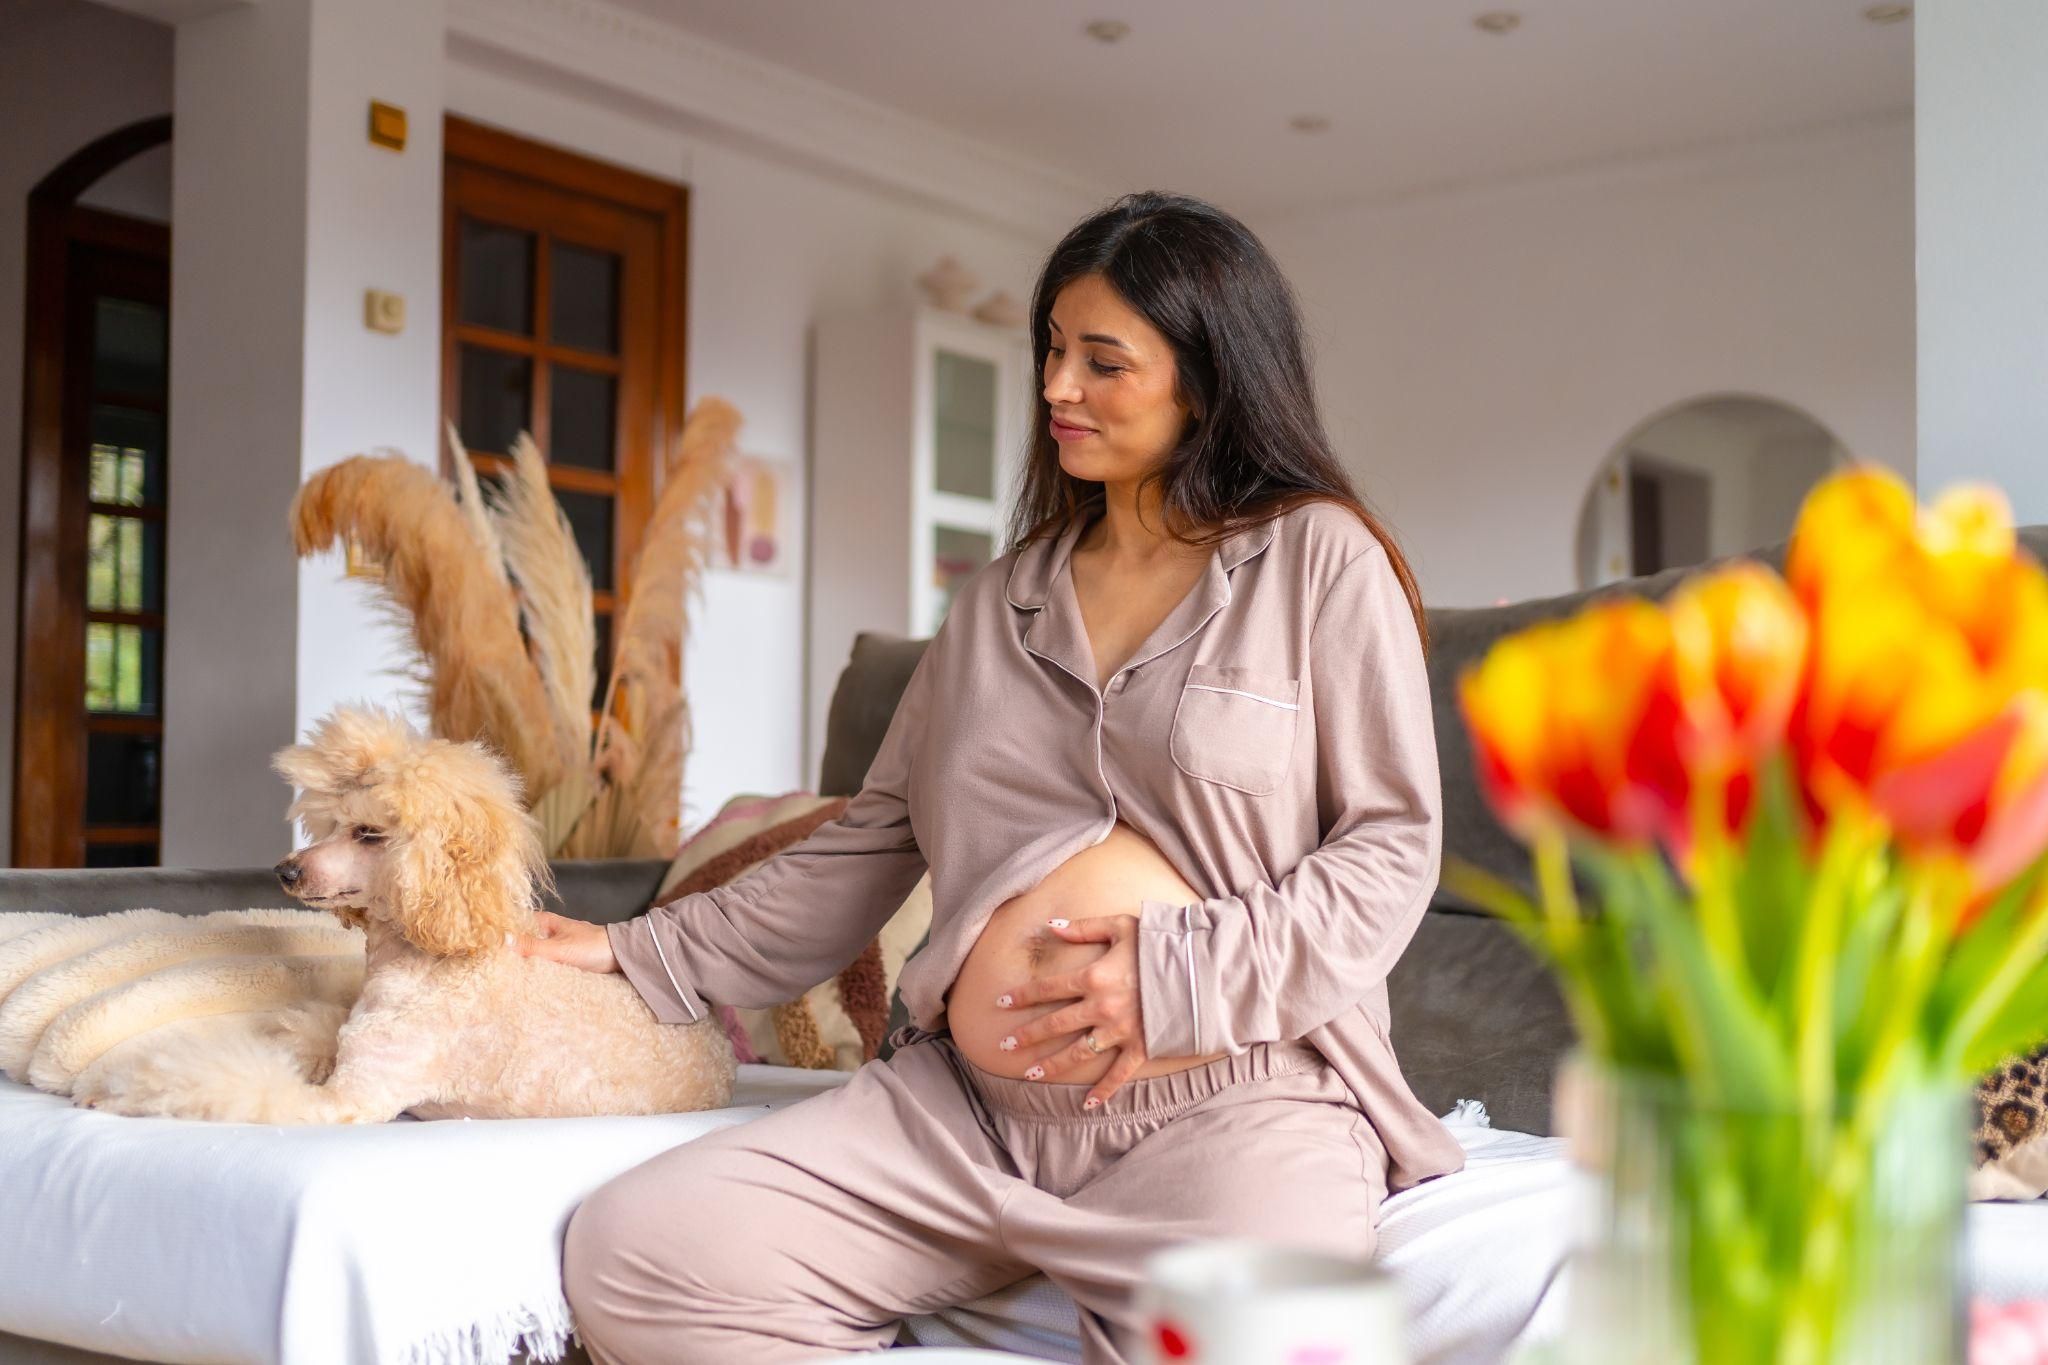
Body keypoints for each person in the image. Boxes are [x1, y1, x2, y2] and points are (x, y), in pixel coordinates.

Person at [517, 190, 1465, 1365]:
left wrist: (1171, 982)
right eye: (1051, 352)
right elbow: (869, 842)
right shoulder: (995, 603)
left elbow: (1386, 853)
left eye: (1102, 362)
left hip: (1228, 1106)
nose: (1057, 388)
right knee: (641, 1251)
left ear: (1208, 382)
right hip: (965, 1115)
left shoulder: (1319, 561)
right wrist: (629, 948)